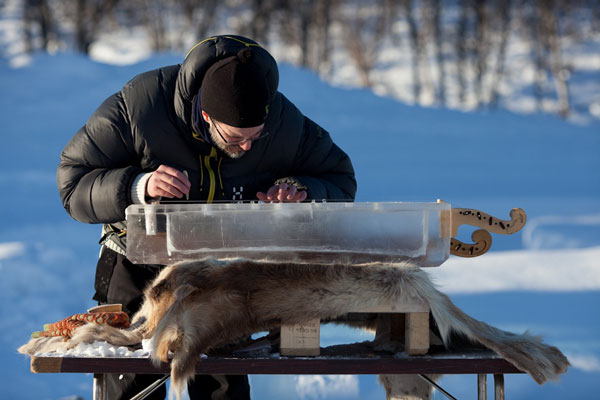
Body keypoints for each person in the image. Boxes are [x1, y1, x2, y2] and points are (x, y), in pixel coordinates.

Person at [57, 34, 356, 399]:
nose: (246, 147)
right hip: (136, 266)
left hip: (222, 271)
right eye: (234, 139)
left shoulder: (281, 118)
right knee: (131, 381)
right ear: (205, 116)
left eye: (255, 139)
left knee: (221, 385)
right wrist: (139, 186)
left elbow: (339, 178)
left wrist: (301, 190)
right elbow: (72, 182)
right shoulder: (138, 107)